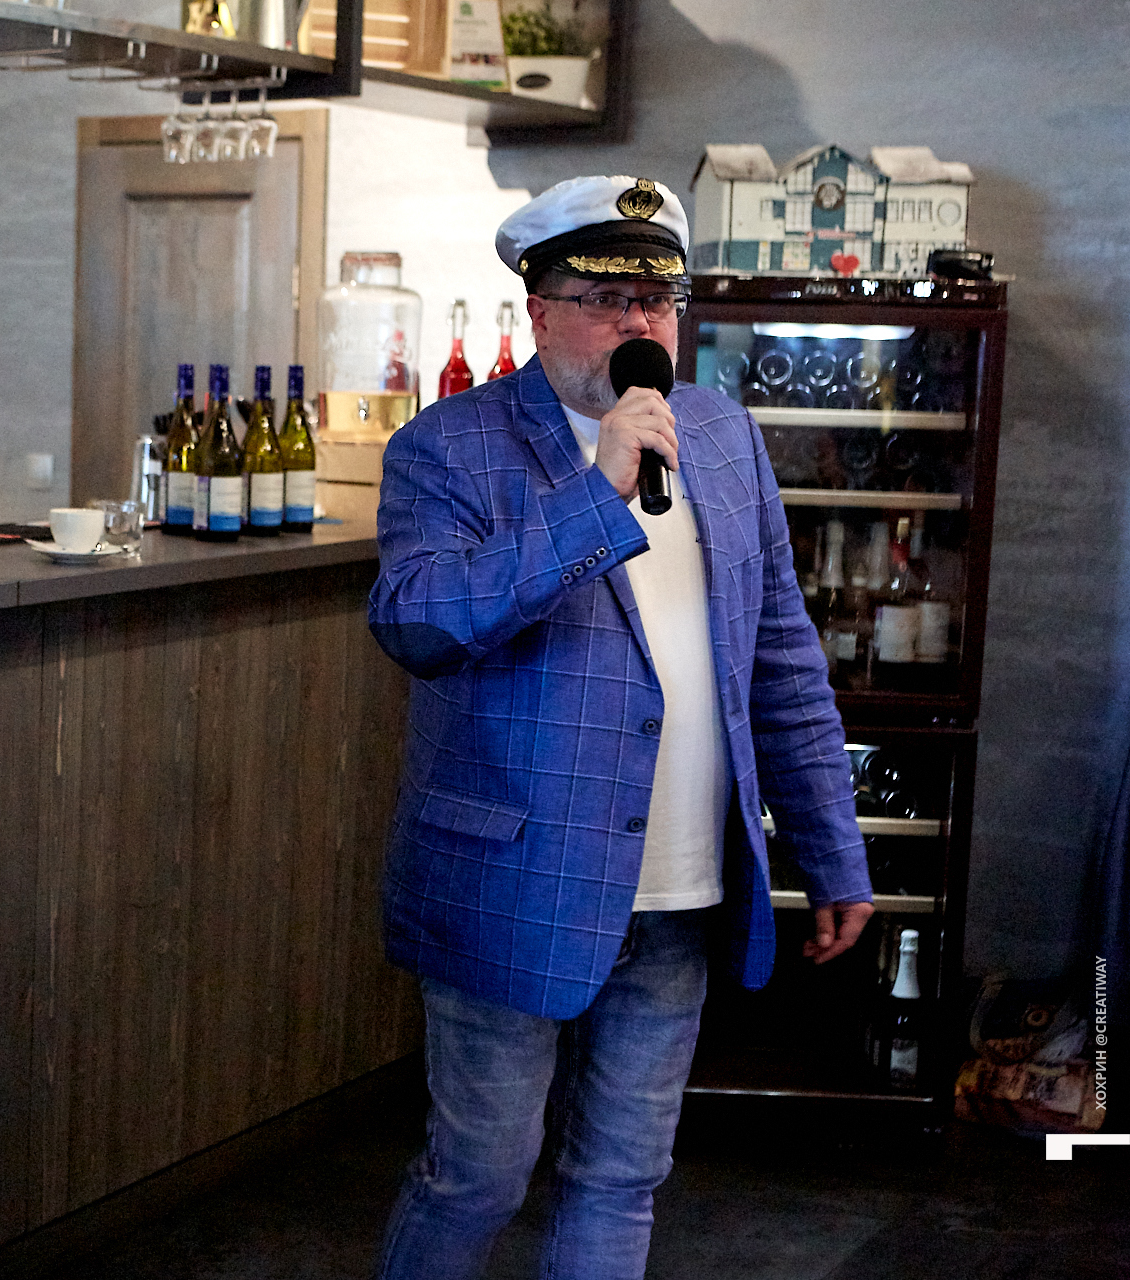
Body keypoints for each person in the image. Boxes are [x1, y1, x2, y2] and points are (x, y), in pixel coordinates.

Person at [366, 175, 874, 1280]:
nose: (638, 323)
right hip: (515, 880)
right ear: (539, 310)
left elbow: (782, 662)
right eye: (604, 298)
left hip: (682, 885)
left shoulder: (724, 438)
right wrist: (597, 493)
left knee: (622, 1177)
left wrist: (833, 849)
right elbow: (418, 621)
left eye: (658, 299)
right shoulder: (448, 447)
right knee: (479, 1176)